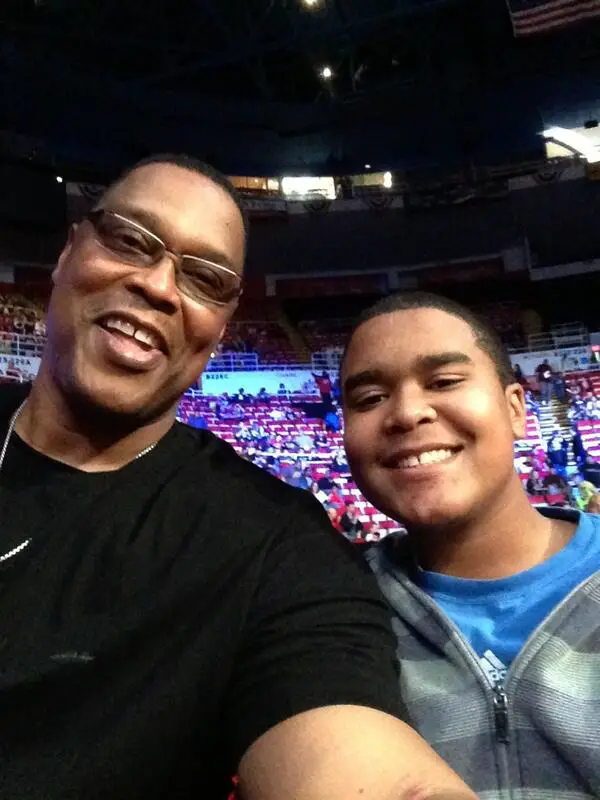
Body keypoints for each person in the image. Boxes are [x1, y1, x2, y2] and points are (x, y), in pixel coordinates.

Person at [0, 163, 473, 800]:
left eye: (205, 279)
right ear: (67, 252)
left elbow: (375, 774)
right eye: (132, 240)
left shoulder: (275, 547)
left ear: (220, 329)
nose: (160, 285)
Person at [341, 290, 600, 798]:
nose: (407, 413)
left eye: (444, 381)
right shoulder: (326, 607)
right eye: (370, 399)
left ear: (517, 409)